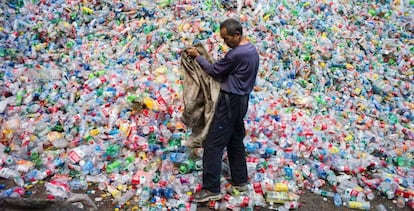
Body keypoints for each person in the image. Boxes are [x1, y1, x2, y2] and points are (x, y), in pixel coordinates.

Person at [185, 18, 260, 202]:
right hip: (242, 100)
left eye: (227, 39)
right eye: (223, 38)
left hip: (229, 101)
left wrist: (198, 56)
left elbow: (214, 70)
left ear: (237, 35)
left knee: (213, 143)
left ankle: (211, 189)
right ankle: (240, 180)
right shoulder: (251, 49)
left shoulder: (237, 54)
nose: (225, 43)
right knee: (235, 139)